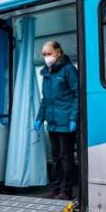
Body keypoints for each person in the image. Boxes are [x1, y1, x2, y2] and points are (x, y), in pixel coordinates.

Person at [34, 41, 78, 200]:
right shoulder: (47, 74)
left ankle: (66, 191)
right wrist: (39, 119)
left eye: (49, 53)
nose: (46, 57)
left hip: (66, 123)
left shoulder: (69, 70)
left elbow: (77, 96)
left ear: (58, 53)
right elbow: (46, 100)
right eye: (44, 54)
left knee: (66, 158)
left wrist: (73, 118)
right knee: (56, 158)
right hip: (52, 124)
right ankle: (56, 188)